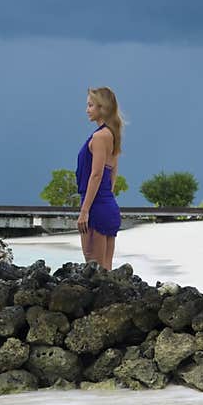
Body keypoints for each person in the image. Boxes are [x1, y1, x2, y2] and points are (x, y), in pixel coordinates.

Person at [76, 86, 123, 270]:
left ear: (102, 108)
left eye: (90, 105)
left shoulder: (99, 137)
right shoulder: (112, 135)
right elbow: (112, 174)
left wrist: (85, 210)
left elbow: (96, 175)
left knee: (93, 268)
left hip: (96, 207)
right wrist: (105, 199)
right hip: (108, 205)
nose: (87, 110)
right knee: (106, 270)